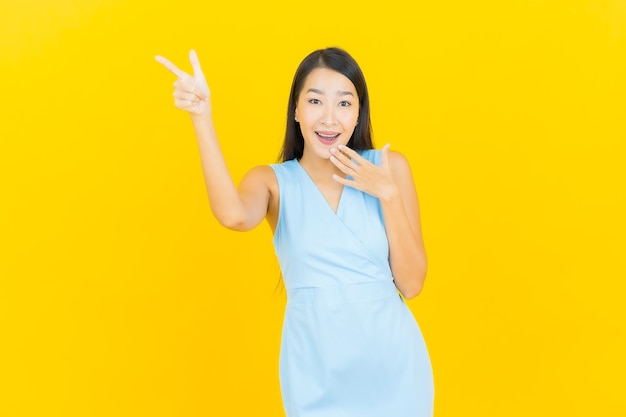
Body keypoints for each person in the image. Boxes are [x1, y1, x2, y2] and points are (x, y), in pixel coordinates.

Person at [156, 47, 434, 417]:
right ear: (297, 111)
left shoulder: (389, 168)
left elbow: (412, 284)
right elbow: (233, 215)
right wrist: (202, 118)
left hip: (395, 370)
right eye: (315, 101)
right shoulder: (273, 182)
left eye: (344, 103)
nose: (329, 118)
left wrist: (387, 193)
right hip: (315, 371)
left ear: (358, 113)